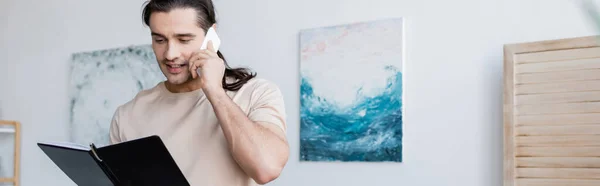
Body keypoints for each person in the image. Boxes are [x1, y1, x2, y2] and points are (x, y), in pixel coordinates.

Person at [108, 0, 289, 185]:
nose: (170, 54)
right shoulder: (127, 115)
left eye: (184, 40)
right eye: (160, 40)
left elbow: (267, 168)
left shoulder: (256, 93)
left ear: (211, 36)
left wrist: (215, 93)